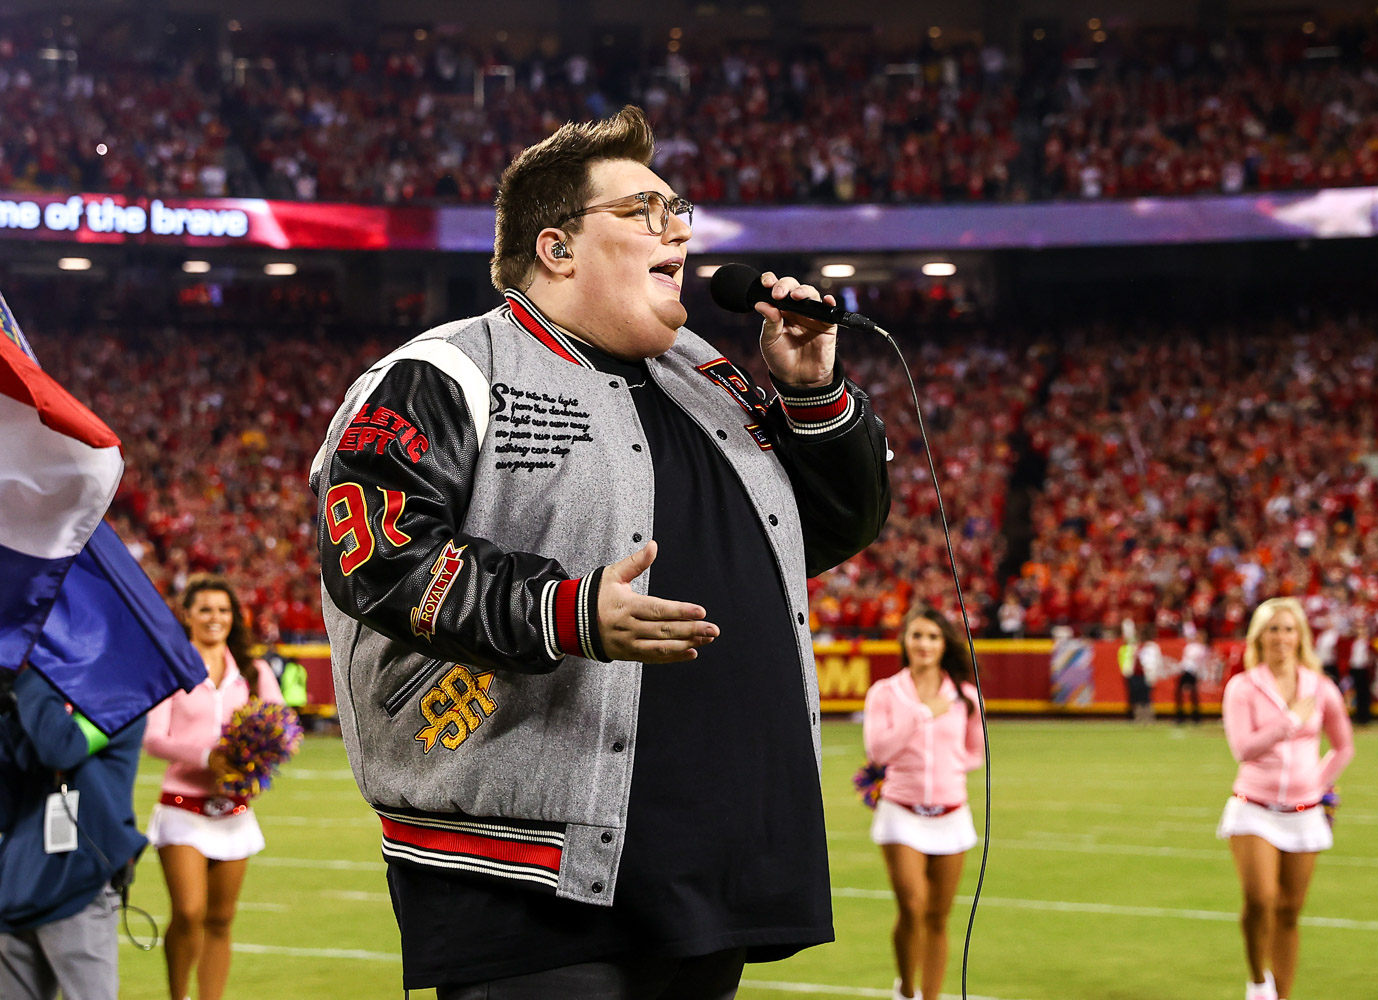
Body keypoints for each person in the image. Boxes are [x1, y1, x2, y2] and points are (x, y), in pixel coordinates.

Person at [310, 105, 890, 998]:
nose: (682, 229)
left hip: (710, 859)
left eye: (679, 209)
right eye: (645, 211)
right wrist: (566, 610)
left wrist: (812, 396)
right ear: (557, 248)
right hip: (526, 872)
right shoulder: (448, 371)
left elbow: (819, 536)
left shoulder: (710, 377)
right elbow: (378, 556)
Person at [143, 576, 284, 1000]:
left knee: (221, 920)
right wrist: (209, 757)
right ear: (186, 615)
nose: (214, 618)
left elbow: (279, 727)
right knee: (188, 911)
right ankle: (178, 995)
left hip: (234, 811)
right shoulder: (170, 667)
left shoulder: (251, 669)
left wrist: (255, 771)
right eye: (204, 609)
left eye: (223, 610)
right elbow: (153, 738)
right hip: (182, 808)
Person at [1217, 597, 1354, 1000]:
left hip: (1305, 812)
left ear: (1301, 637)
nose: (1281, 637)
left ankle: (1284, 995)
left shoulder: (1320, 686)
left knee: (1290, 912)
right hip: (1253, 808)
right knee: (1260, 900)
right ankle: (1258, 983)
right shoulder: (1243, 686)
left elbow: (1344, 747)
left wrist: (1317, 782)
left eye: (1289, 629)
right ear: (1259, 636)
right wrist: (1290, 721)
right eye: (1273, 629)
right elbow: (1243, 748)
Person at [0, 666, 147, 1000]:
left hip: (77, 881)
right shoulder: (33, 706)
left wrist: (30, 679)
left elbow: (60, 749)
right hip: (17, 880)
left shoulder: (120, 702)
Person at [862, 607, 983, 1000]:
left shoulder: (963, 694)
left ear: (944, 643)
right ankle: (907, 990)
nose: (924, 644)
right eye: (917, 635)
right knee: (912, 907)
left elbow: (975, 752)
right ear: (905, 641)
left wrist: (948, 772)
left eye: (933, 636)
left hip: (952, 815)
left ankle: (930, 997)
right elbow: (877, 750)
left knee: (938, 917)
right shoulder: (885, 691)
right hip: (900, 813)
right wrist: (919, 715)